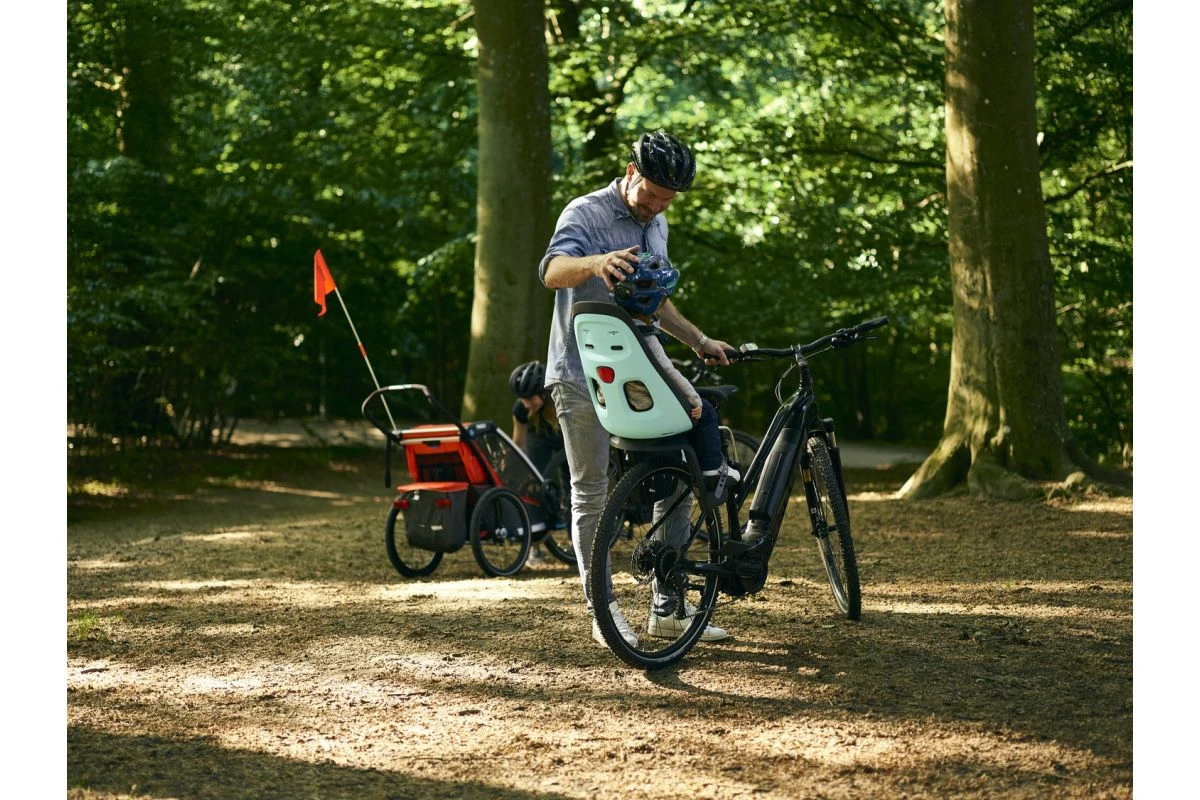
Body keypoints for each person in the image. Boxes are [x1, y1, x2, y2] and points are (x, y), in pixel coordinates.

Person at [539, 129, 734, 646]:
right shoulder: (585, 212)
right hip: (582, 375)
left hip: (641, 375)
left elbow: (657, 302)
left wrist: (698, 340)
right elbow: (553, 271)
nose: (654, 207)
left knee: (673, 475)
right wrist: (596, 264)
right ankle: (602, 611)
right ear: (630, 174)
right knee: (591, 491)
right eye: (649, 195)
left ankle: (668, 606)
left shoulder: (658, 224)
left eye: (666, 201)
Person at [610, 253, 740, 506]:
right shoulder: (646, 335)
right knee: (708, 411)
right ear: (657, 305)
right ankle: (713, 470)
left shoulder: (619, 331)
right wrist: (693, 400)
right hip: (654, 406)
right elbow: (669, 371)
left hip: (627, 406)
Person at [508, 361, 566, 564]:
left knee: (572, 484)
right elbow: (518, 442)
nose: (526, 403)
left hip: (564, 435)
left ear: (542, 392)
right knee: (534, 484)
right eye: (522, 400)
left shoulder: (560, 400)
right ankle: (535, 547)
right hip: (538, 435)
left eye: (530, 399)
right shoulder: (521, 410)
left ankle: (578, 543)